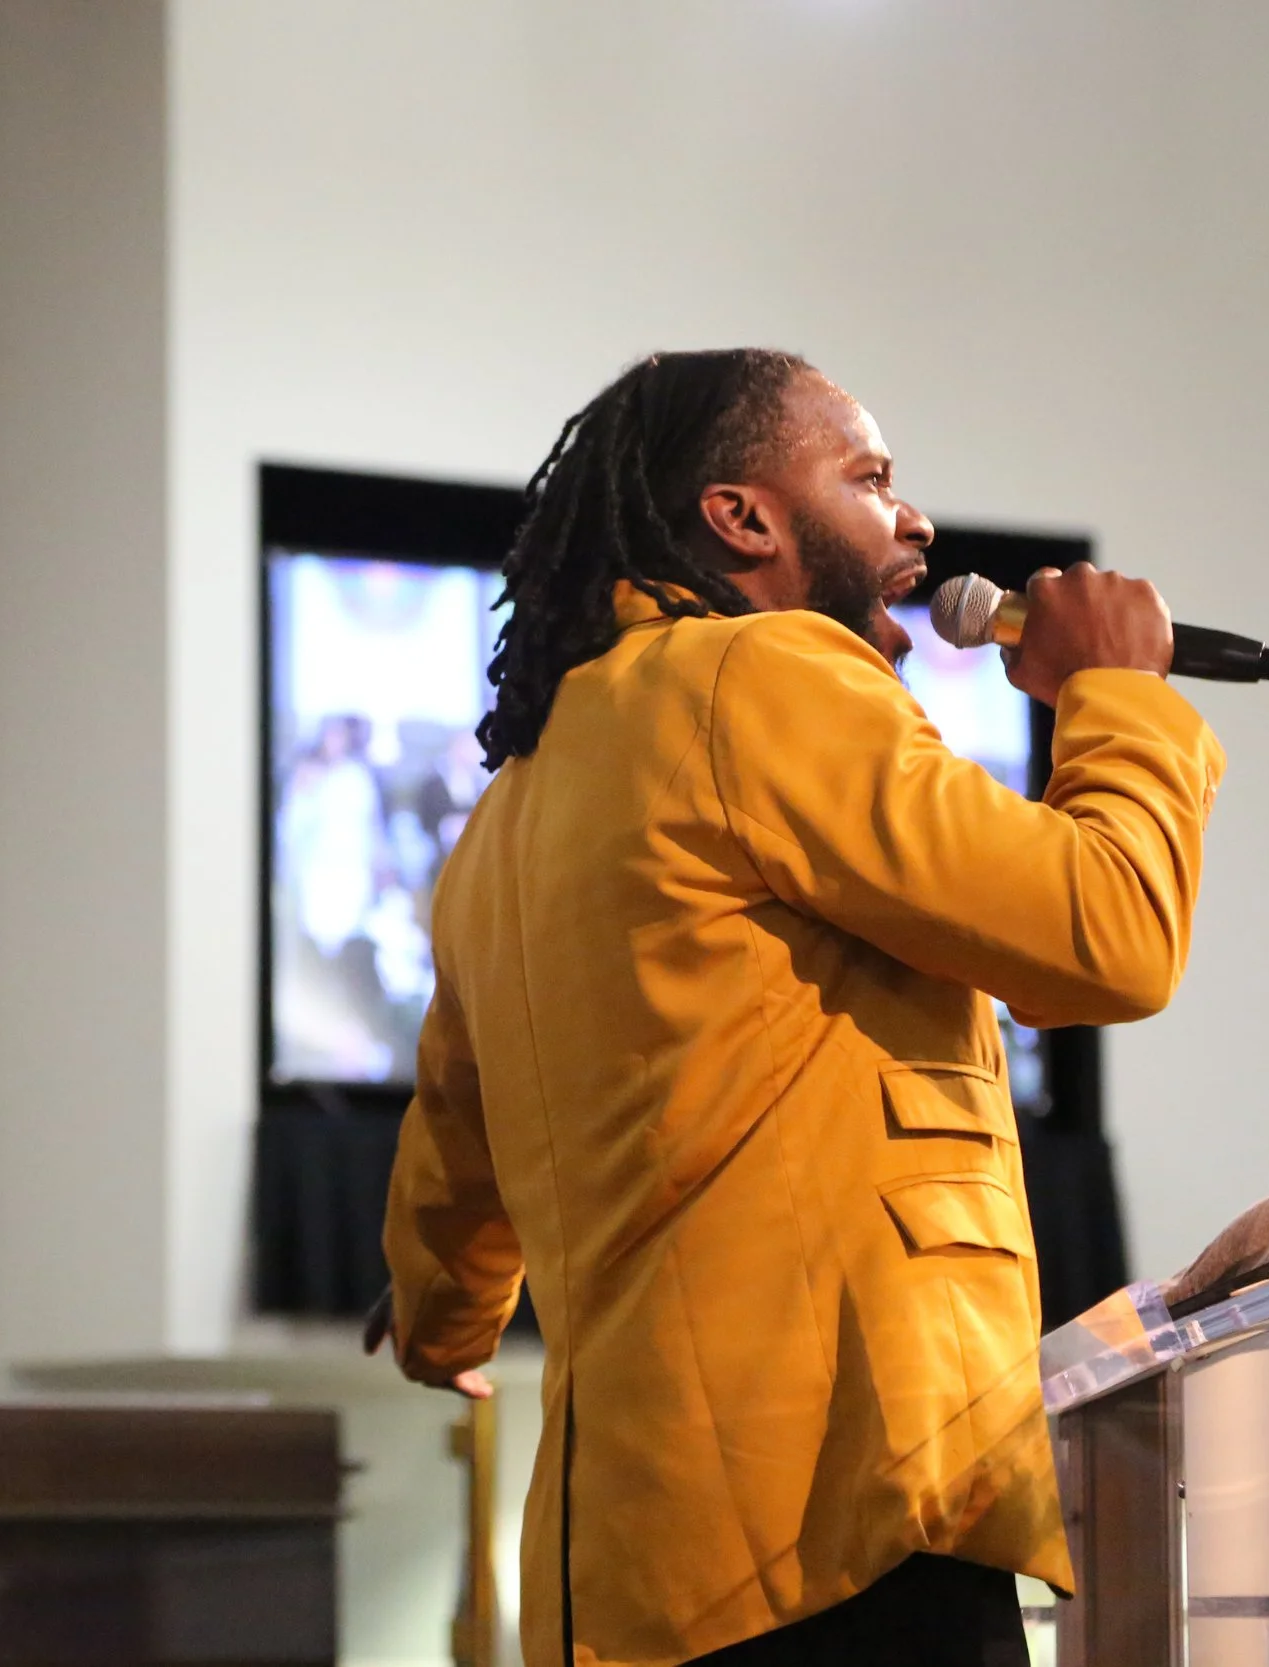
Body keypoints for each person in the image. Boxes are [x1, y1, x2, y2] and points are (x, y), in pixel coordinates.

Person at [367, 349, 1223, 1667]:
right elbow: (1107, 932)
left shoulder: (508, 815)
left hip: (639, 1569)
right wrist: (1118, 692)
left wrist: (442, 1322)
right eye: (869, 478)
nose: (915, 521)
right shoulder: (756, 676)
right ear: (744, 517)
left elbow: (453, 1148)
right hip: (839, 1523)